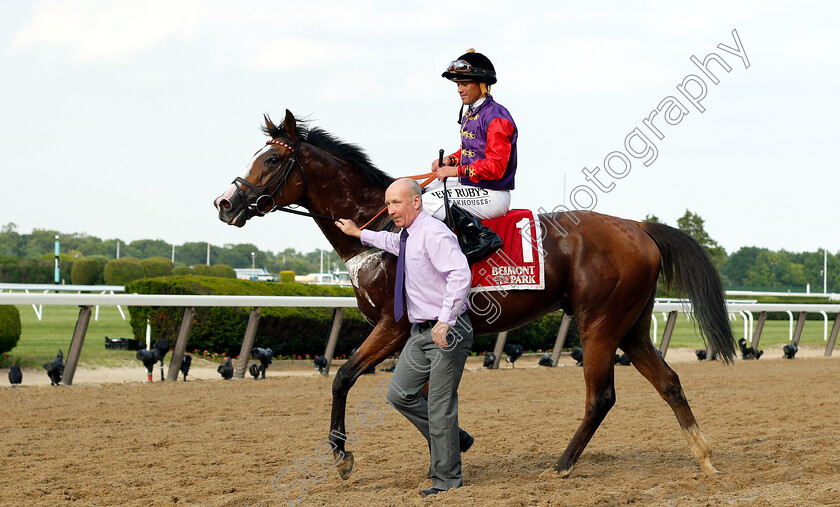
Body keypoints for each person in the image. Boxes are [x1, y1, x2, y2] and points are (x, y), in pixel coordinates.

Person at [335, 178, 474, 497]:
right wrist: (359, 233)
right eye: (387, 203)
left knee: (439, 405)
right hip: (421, 332)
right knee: (399, 394)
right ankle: (455, 438)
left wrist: (445, 320)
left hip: (446, 332)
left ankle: (447, 480)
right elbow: (390, 242)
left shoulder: (435, 233)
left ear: (416, 202)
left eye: (396, 203)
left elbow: (460, 274)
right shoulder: (408, 236)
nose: (390, 209)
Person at [423, 48, 518, 261]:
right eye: (458, 84)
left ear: (482, 84)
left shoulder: (496, 117)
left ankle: (481, 236)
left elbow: (495, 167)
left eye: (464, 84)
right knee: (422, 192)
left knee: (428, 202)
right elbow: (472, 150)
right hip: (474, 187)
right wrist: (451, 159)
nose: (459, 89)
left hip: (492, 194)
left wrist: (454, 171)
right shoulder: (474, 111)